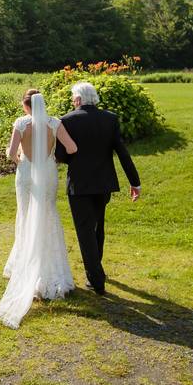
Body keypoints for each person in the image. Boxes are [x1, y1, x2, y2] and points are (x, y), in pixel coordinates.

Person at [0, 90, 78, 329]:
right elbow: (71, 148)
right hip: (48, 173)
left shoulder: (21, 124)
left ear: (25, 106)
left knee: (25, 216)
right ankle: (52, 273)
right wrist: (51, 158)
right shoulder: (55, 123)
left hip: (26, 175)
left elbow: (11, 153)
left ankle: (23, 266)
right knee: (48, 216)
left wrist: (22, 161)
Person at [55, 82, 141, 296]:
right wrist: (134, 181)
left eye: (72, 99)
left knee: (85, 233)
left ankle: (96, 281)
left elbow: (62, 155)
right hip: (103, 184)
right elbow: (122, 152)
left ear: (77, 99)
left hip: (79, 184)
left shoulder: (66, 120)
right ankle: (96, 270)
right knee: (97, 228)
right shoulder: (110, 119)